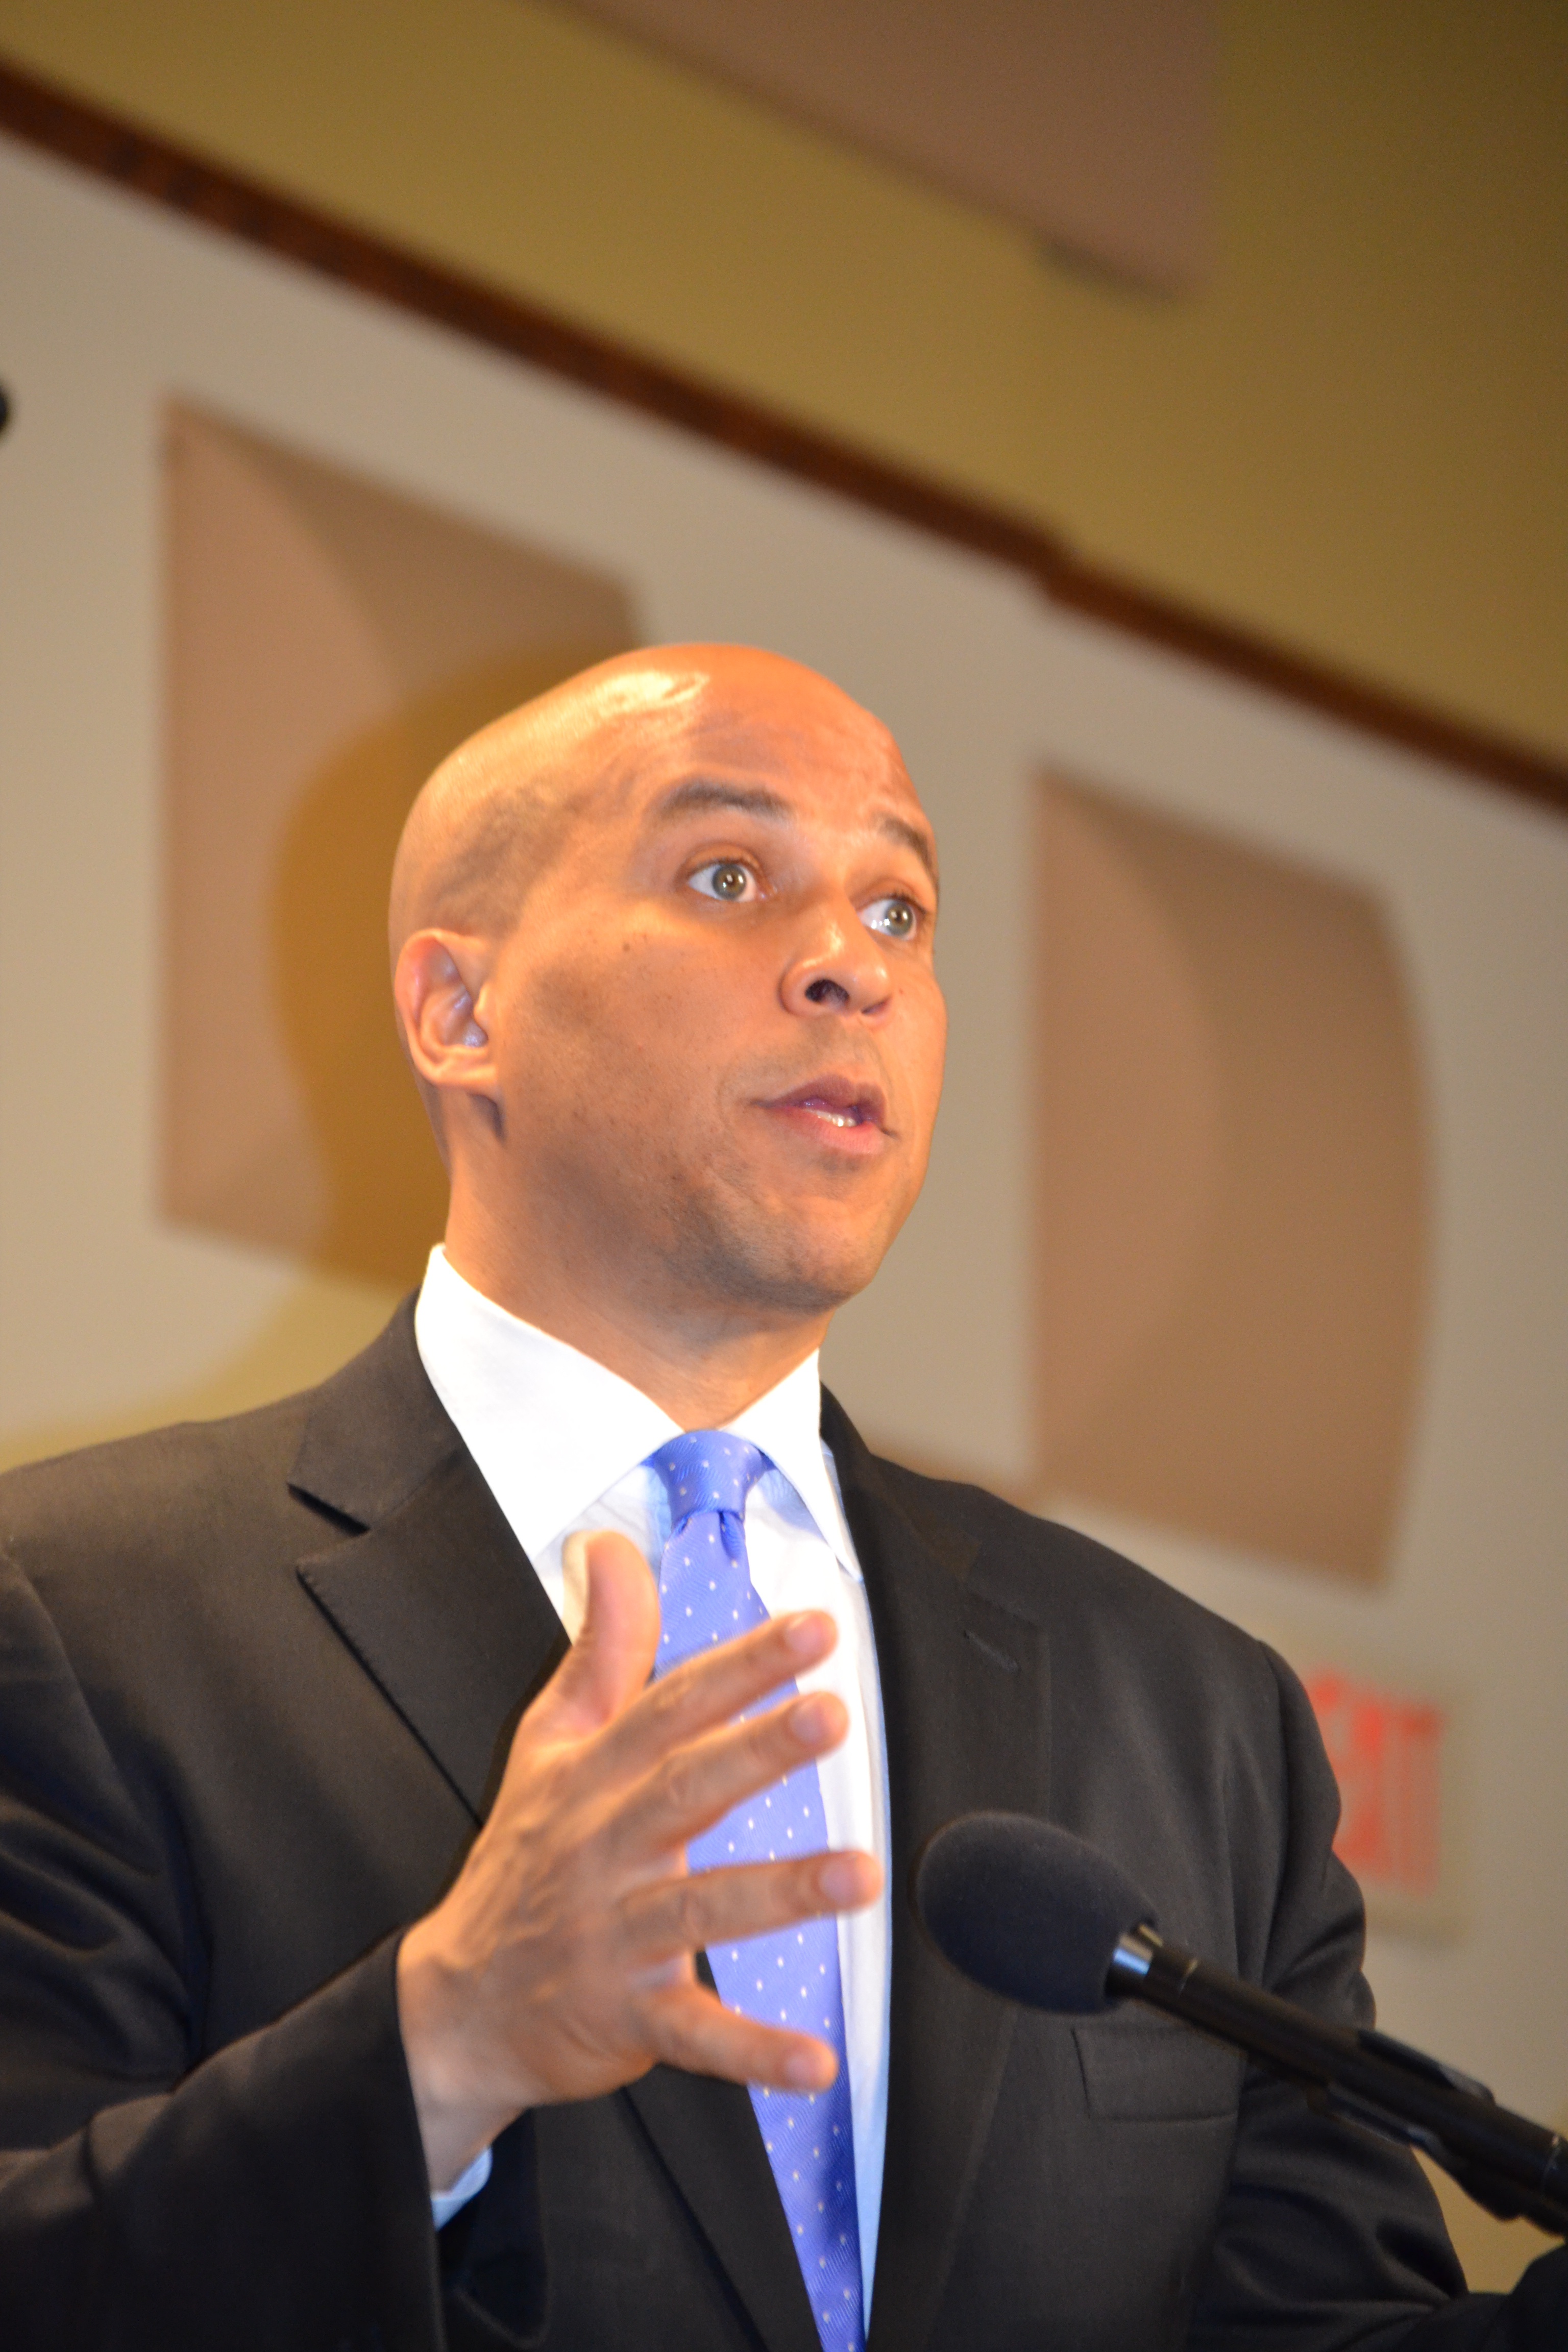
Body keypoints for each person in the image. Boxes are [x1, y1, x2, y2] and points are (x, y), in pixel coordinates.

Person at [0, 645, 1560, 2350]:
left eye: (900, 910)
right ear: (459, 1011)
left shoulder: (1192, 1722)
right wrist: (439, 2048)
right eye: (729, 876)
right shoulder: (81, 1615)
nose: (851, 966)